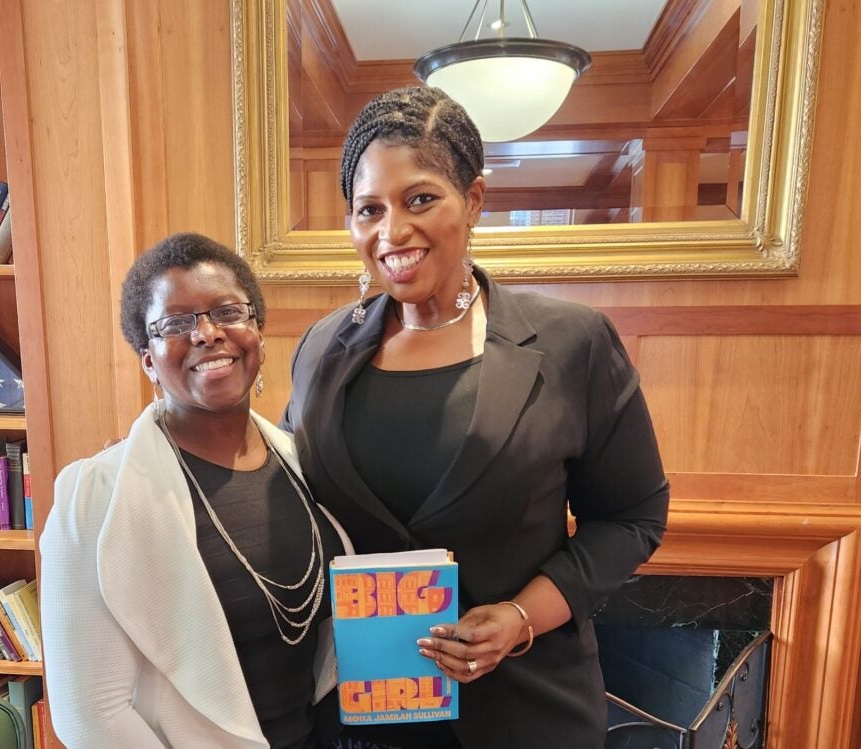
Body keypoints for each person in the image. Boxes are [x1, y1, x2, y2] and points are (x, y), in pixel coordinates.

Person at [281, 86, 669, 749]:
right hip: (359, 716)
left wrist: (522, 616)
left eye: (420, 199)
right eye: (368, 209)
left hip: (521, 710)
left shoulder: (570, 343)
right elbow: (292, 502)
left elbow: (633, 516)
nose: (392, 231)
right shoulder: (321, 349)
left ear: (476, 201)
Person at [41, 232, 351, 748]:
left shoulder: (304, 464)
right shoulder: (96, 494)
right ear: (148, 359)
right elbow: (89, 717)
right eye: (175, 324)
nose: (207, 334)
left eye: (227, 312)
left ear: (258, 332)